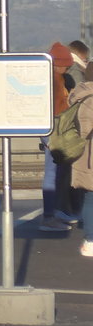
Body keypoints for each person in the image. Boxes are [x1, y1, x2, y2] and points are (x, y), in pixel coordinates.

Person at [40, 41, 79, 231]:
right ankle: (49, 217)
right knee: (52, 173)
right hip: (54, 129)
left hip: (55, 129)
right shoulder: (53, 81)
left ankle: (54, 213)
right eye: (65, 64)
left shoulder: (58, 79)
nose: (67, 67)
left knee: (56, 172)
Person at [67, 74, 93, 257]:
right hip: (90, 155)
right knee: (91, 198)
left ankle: (91, 240)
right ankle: (91, 240)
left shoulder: (81, 95)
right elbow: (85, 128)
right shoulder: (90, 99)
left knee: (90, 197)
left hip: (86, 155)